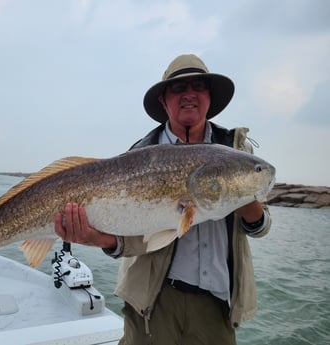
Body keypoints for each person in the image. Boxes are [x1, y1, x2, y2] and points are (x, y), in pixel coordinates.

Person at [54, 54, 271, 345]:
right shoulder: (139, 155)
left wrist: (250, 208)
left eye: (198, 86)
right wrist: (101, 239)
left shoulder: (235, 151)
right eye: (178, 88)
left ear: (210, 96)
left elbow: (262, 225)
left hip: (216, 305)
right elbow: (133, 234)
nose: (189, 95)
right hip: (152, 303)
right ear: (163, 100)